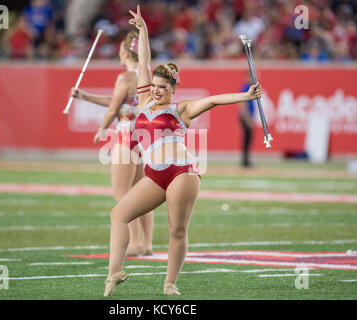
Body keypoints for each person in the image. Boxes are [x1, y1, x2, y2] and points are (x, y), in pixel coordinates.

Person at [104, 5, 262, 296]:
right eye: (155, 86)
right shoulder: (143, 100)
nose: (157, 90)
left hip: (182, 173)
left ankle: (169, 283)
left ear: (173, 90)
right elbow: (143, 62)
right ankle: (114, 272)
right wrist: (144, 31)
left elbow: (214, 100)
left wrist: (245, 95)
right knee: (118, 214)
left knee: (176, 230)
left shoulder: (182, 109)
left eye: (163, 87)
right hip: (154, 175)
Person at [71, 31, 154, 257]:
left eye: (120, 50)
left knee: (122, 194)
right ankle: (146, 244)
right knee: (141, 193)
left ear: (125, 52)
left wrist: (102, 128)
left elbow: (112, 109)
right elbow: (116, 101)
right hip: (143, 139)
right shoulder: (146, 75)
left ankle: (134, 243)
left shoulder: (125, 78)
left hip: (126, 137)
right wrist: (86, 96)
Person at [239, 73, 256, 168]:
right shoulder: (246, 87)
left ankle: (246, 159)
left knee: (248, 139)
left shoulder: (249, 87)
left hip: (249, 117)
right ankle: (245, 161)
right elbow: (243, 104)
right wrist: (247, 118)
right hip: (246, 117)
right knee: (247, 139)